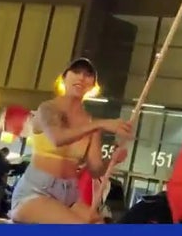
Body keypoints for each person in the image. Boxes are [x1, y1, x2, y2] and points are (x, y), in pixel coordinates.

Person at [9, 57, 132, 224]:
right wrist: (101, 123)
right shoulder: (48, 108)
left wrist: (113, 159)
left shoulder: (90, 123)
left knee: (101, 230)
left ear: (93, 85)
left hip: (70, 197)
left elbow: (95, 169)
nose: (81, 77)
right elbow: (57, 138)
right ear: (64, 78)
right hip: (36, 193)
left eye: (88, 74)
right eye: (76, 72)